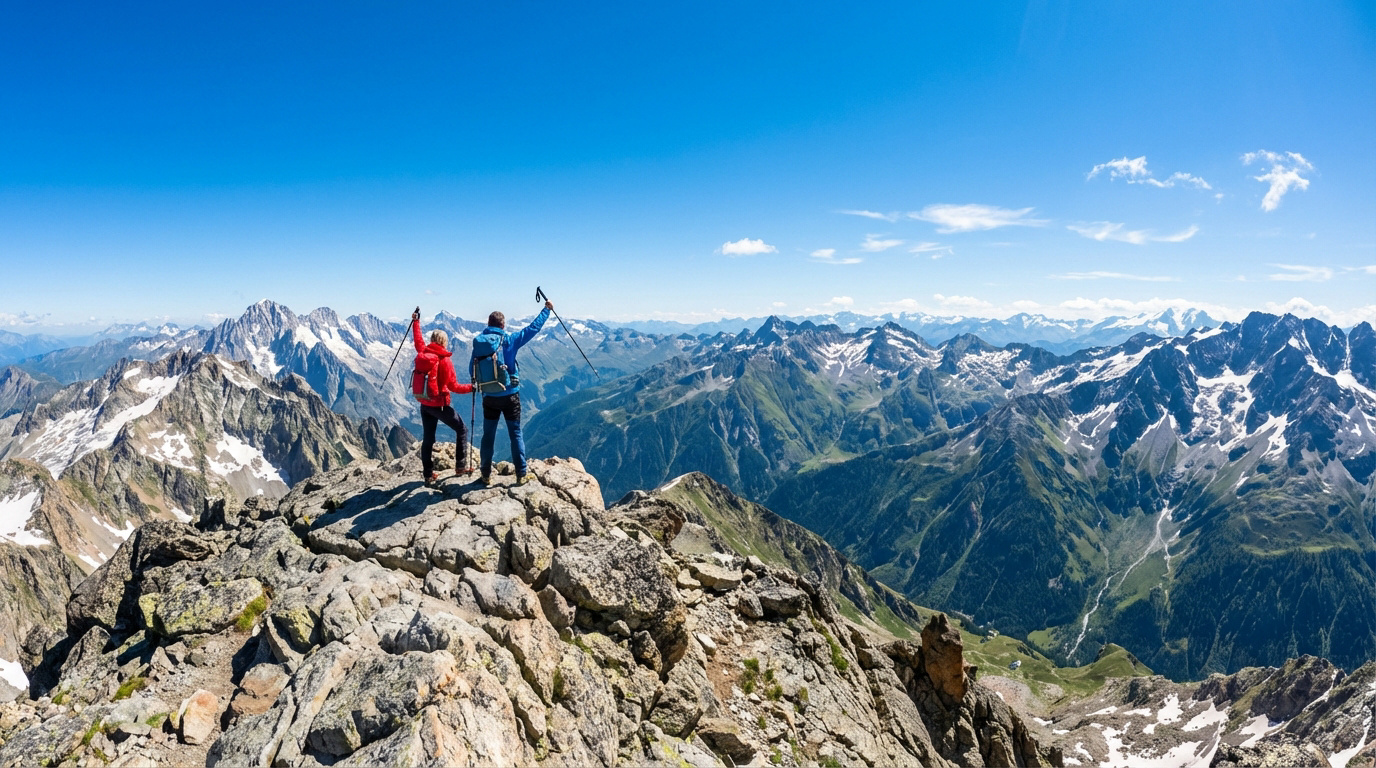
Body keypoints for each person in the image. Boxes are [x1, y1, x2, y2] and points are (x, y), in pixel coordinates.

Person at [472, 300, 552, 485]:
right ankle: (521, 475)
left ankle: (485, 474)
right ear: (503, 325)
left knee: (488, 435)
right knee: (515, 434)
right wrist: (546, 310)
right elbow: (533, 329)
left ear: (488, 324)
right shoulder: (509, 340)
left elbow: (472, 370)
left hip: (489, 397)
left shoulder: (479, 344)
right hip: (510, 395)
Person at [411, 310, 474, 487]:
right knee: (462, 429)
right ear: (444, 342)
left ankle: (428, 474)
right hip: (439, 405)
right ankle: (461, 466)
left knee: (428, 439)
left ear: (432, 341)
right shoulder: (444, 360)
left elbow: (418, 341)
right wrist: (472, 387)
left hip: (424, 403)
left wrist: (416, 322)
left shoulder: (423, 352)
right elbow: (454, 386)